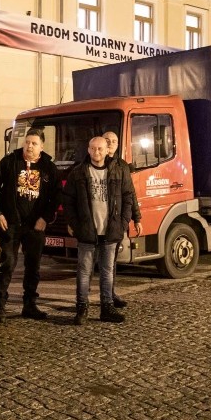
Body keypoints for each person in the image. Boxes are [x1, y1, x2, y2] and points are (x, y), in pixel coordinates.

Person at [61, 136, 134, 325]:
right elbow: (67, 200)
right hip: (87, 230)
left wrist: (124, 222)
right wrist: (75, 224)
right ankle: (82, 308)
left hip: (110, 230)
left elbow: (128, 196)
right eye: (93, 149)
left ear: (106, 149)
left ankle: (106, 307)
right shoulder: (78, 172)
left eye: (100, 149)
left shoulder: (118, 170)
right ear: (88, 149)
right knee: (84, 271)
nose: (97, 152)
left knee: (107, 270)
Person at [0, 128, 60, 322]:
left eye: (34, 143)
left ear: (41, 146)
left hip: (34, 226)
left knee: (33, 267)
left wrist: (45, 217)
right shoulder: (10, 162)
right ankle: (0, 306)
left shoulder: (48, 167)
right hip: (11, 224)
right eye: (27, 142)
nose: (29, 146)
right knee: (8, 264)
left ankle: (29, 304)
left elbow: (56, 196)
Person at [102, 131, 142, 309]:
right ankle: (88, 298)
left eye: (114, 141)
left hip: (115, 222)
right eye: (107, 140)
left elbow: (130, 194)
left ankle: (110, 293)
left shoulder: (122, 166)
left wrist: (134, 218)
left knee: (111, 262)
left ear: (118, 145)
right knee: (89, 265)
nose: (110, 143)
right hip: (97, 221)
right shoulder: (93, 164)